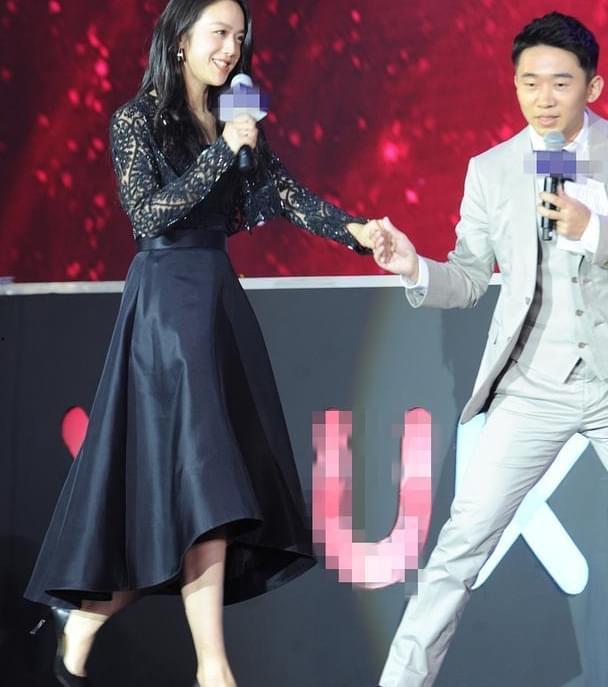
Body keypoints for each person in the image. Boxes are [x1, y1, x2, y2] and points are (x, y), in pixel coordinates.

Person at [24, 1, 377, 685]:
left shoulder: (234, 116)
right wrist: (222, 150)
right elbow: (147, 212)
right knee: (204, 483)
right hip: (166, 306)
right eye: (219, 34)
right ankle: (213, 668)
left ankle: (88, 622)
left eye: (239, 37)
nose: (230, 49)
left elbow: (282, 193)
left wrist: (356, 231)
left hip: (216, 302)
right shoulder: (136, 120)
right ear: (181, 38)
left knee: (203, 493)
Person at [370, 11, 608, 687]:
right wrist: (415, 268)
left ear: (592, 87)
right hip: (532, 385)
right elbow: (470, 277)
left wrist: (594, 230)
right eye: (529, 82)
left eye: (560, 82)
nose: (543, 98)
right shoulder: (492, 170)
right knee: (458, 547)